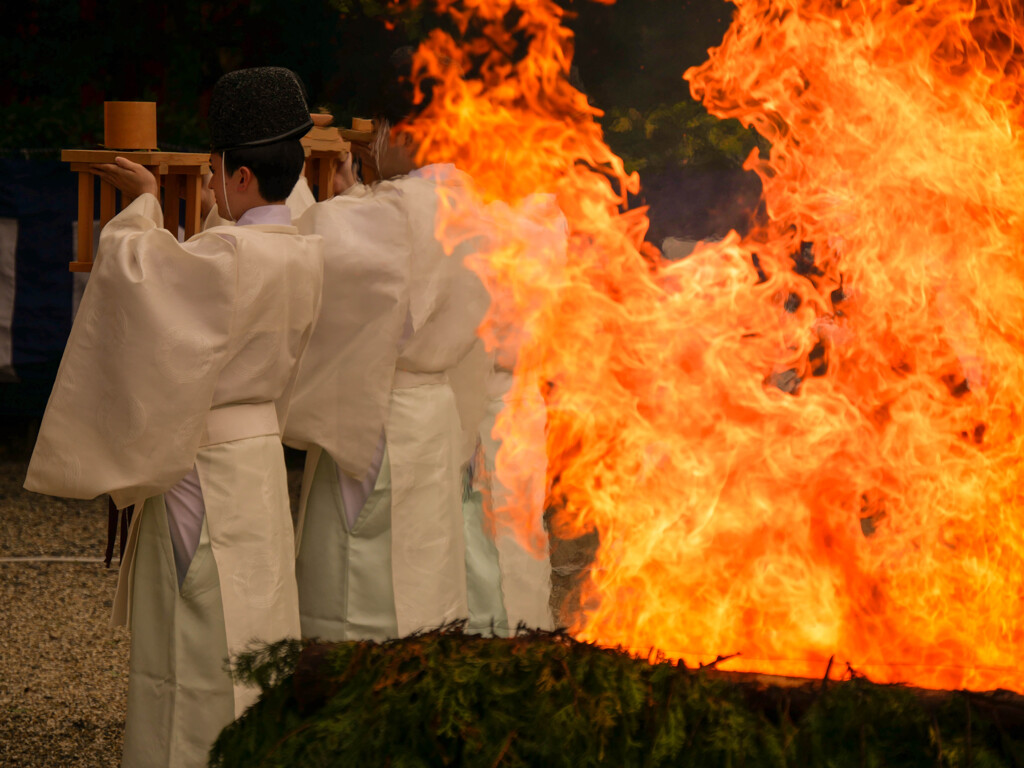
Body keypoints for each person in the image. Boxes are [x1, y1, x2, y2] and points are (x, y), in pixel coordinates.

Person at [24, 66, 324, 768]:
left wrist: (144, 206)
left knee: (196, 637)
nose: (213, 186)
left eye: (218, 174)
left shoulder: (230, 254)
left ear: (240, 176)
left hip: (207, 469)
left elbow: (138, 273)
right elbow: (217, 263)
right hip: (255, 456)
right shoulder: (302, 250)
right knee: (257, 628)